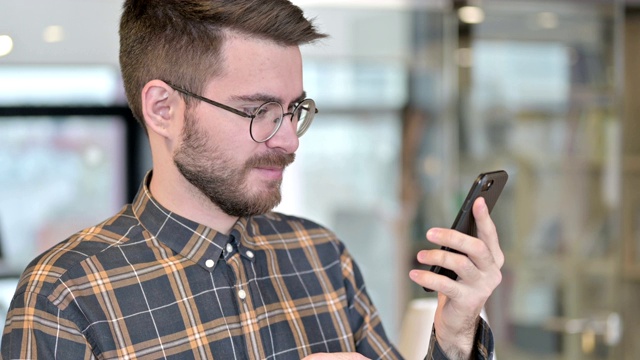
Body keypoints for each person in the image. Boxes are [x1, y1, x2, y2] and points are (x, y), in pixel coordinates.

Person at [1, 1, 503, 359]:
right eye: (259, 111)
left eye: (295, 110)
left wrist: (455, 337)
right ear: (163, 109)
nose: (289, 140)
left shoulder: (323, 257)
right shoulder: (67, 293)